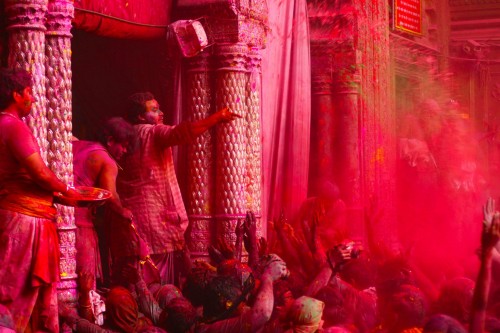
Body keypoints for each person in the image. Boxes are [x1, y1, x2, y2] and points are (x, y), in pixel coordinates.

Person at [116, 92, 240, 285]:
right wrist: (217, 117)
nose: (161, 113)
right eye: (154, 110)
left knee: (137, 274)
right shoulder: (152, 132)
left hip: (132, 218)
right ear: (140, 116)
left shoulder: (125, 136)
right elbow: (183, 133)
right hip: (156, 220)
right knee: (158, 283)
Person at [0, 68, 78, 331]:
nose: (32, 98)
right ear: (17, 94)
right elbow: (41, 174)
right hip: (25, 222)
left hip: (15, 215)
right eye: (30, 92)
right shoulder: (12, 126)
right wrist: (69, 190)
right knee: (13, 296)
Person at [73, 117, 135, 287]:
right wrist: (124, 212)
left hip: (55, 215)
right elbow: (111, 196)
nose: (124, 151)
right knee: (83, 277)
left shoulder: (76, 144)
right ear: (110, 140)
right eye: (123, 145)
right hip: (80, 222)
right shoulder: (107, 161)